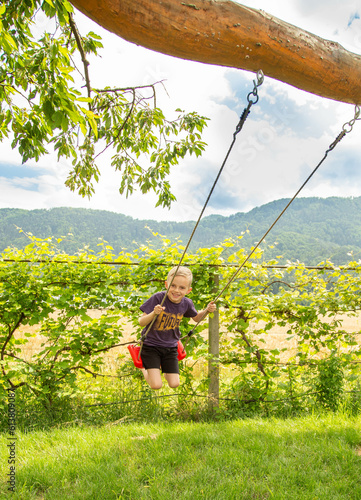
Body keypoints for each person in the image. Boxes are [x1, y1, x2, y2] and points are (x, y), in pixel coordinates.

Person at [138, 266, 216, 390]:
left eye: (182, 288)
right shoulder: (158, 298)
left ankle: (159, 367)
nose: (176, 290)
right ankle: (143, 367)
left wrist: (207, 310)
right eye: (173, 286)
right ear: (166, 284)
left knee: (174, 384)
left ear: (188, 290)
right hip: (151, 346)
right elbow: (141, 322)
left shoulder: (187, 303)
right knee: (156, 385)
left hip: (170, 347)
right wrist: (154, 313)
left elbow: (196, 318)